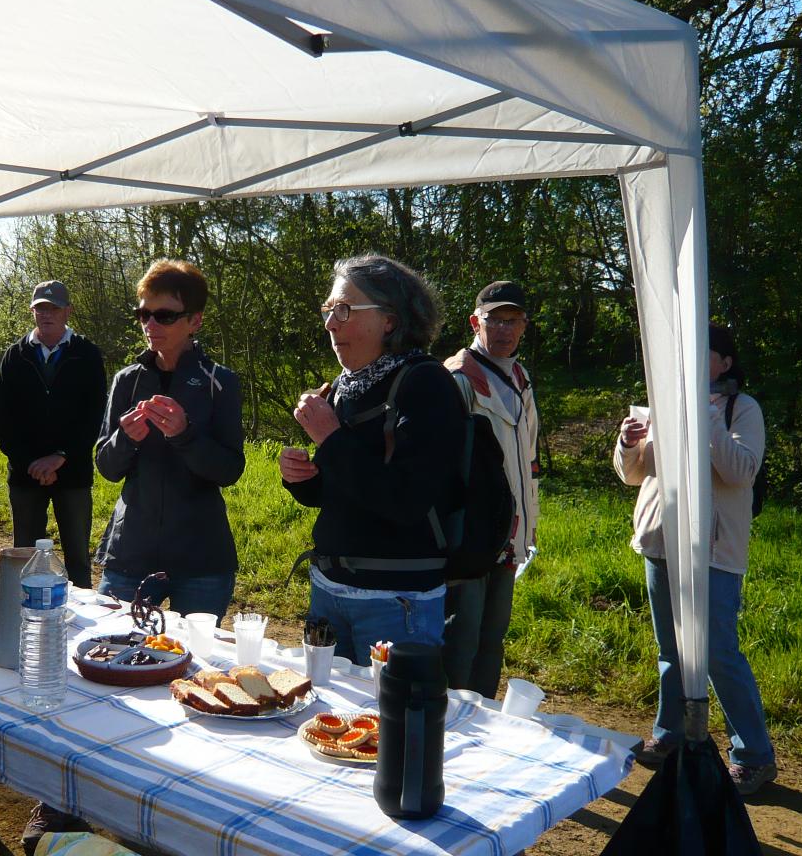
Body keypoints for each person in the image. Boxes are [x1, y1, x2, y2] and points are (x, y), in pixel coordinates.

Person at [615, 323, 777, 795]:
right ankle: (669, 737)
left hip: (715, 551)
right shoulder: (664, 402)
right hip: (661, 542)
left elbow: (742, 471)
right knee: (670, 651)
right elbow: (632, 475)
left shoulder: (741, 409)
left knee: (718, 654)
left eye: (700, 352)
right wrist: (629, 442)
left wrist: (706, 419)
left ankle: (754, 756)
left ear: (724, 362)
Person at [280, 254, 466, 665]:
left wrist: (329, 437)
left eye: (343, 310)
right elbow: (342, 491)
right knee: (326, 724)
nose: (330, 323)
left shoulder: (426, 384)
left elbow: (406, 501)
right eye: (329, 310)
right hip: (329, 589)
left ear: (390, 319)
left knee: (394, 726)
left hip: (396, 603)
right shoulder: (348, 387)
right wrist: (303, 478)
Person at [94, 259, 244, 617]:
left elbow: (229, 470)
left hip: (201, 558)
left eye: (165, 316)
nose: (150, 324)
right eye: (143, 314)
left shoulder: (219, 382)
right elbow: (106, 467)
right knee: (112, 650)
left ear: (195, 321)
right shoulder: (127, 380)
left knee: (196, 665)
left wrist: (184, 435)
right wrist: (124, 439)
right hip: (129, 553)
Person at [441, 280, 540, 697]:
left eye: (512, 321)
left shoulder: (520, 376)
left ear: (524, 326)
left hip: (510, 532)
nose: (503, 330)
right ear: (474, 323)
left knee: (493, 636)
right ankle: (449, 729)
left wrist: (528, 525)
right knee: (462, 639)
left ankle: (483, 727)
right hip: (470, 535)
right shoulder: (457, 377)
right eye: (493, 320)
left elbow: (527, 459)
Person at [0, 280, 106, 588]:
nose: (47, 315)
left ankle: (84, 622)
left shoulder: (87, 355)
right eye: (41, 308)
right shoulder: (15, 356)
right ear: (32, 311)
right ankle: (24, 616)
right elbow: (4, 421)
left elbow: (94, 416)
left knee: (78, 558)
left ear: (67, 311)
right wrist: (32, 462)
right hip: (25, 474)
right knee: (26, 557)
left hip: (73, 473)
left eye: (54, 308)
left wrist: (60, 457)